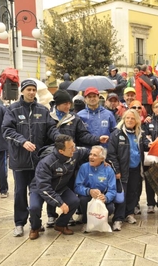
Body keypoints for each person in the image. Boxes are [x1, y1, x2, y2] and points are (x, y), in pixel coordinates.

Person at [2, 79, 60, 237]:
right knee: (20, 193)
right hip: (19, 161)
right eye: (28, 89)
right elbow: (6, 130)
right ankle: (19, 223)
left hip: (39, 162)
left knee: (39, 193)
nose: (31, 92)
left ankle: (37, 223)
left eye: (33, 90)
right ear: (22, 91)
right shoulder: (12, 109)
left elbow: (50, 129)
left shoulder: (42, 109)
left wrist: (59, 138)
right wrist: (23, 141)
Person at [46, 89, 109, 227]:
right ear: (57, 103)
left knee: (68, 184)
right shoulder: (49, 116)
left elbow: (83, 135)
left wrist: (97, 139)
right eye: (65, 104)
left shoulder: (74, 118)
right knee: (51, 184)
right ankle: (51, 214)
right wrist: (62, 143)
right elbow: (50, 132)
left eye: (69, 103)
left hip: (70, 157)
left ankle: (68, 215)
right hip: (53, 157)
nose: (68, 106)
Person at [28, 134, 89, 240]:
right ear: (61, 151)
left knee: (74, 201)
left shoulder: (74, 153)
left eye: (74, 146)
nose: (74, 149)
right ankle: (35, 227)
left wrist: (103, 160)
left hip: (60, 187)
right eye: (71, 148)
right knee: (34, 208)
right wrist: (60, 203)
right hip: (40, 188)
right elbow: (44, 188)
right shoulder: (46, 163)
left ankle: (61, 224)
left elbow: (88, 152)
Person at [107, 109, 148, 231]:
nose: (130, 120)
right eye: (127, 118)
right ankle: (118, 218)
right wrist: (116, 170)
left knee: (133, 192)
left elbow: (144, 145)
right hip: (122, 170)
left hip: (135, 169)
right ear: (123, 119)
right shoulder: (116, 134)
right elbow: (111, 154)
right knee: (121, 194)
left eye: (132, 118)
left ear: (137, 121)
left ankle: (129, 214)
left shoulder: (140, 133)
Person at [74, 145, 116, 233]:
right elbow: (77, 186)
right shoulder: (84, 167)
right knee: (83, 199)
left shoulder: (108, 170)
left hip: (101, 197)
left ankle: (100, 222)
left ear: (102, 158)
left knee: (110, 207)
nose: (91, 157)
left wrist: (106, 197)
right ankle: (86, 222)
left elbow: (112, 190)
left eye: (95, 155)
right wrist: (89, 191)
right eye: (90, 154)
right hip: (88, 195)